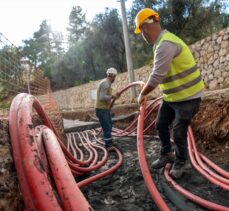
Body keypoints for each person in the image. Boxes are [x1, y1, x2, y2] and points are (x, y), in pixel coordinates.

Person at [134, 8, 205, 179]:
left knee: (179, 132)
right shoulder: (160, 43)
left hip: (188, 97)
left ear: (145, 27)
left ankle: (181, 163)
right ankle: (167, 154)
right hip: (172, 98)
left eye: (141, 30)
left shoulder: (166, 43)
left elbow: (157, 75)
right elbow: (160, 72)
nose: (142, 35)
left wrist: (142, 94)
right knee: (160, 124)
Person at [95, 67, 120, 150]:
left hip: (104, 109)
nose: (115, 78)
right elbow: (102, 97)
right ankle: (108, 146)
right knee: (107, 127)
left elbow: (104, 97)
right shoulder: (105, 83)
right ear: (112, 75)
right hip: (102, 110)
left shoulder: (106, 83)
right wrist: (113, 96)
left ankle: (110, 142)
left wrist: (110, 102)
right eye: (115, 76)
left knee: (109, 125)